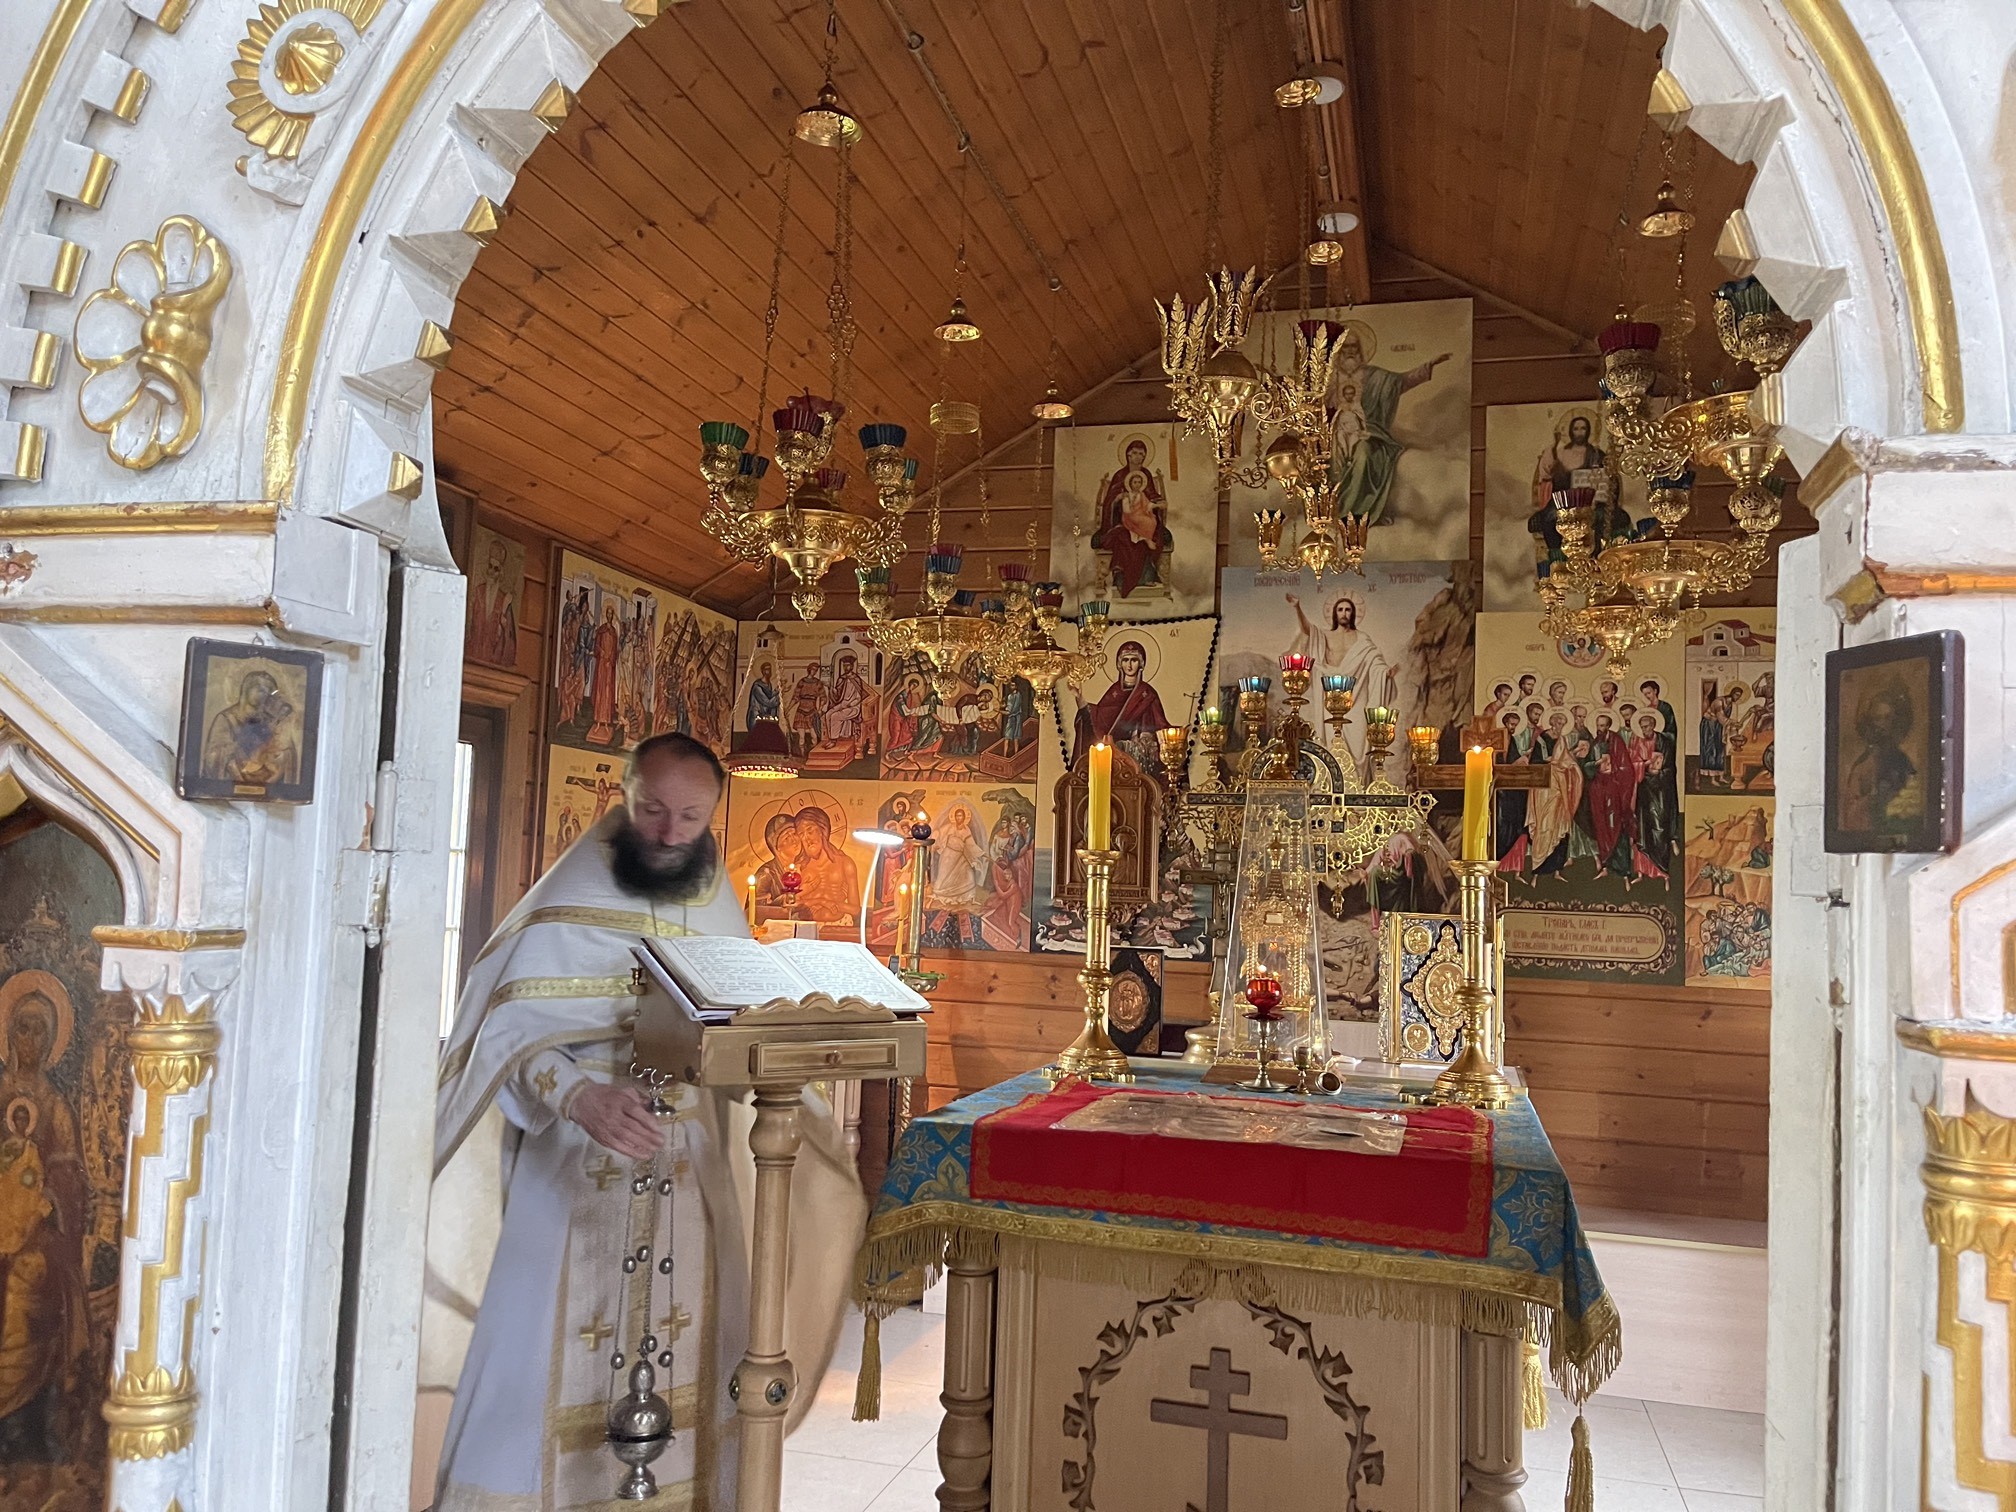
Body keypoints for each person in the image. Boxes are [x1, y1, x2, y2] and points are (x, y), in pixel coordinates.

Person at [428, 734, 863, 1511]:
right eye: (653, 810)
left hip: (688, 1174)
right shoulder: (565, 897)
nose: (668, 833)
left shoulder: (716, 905)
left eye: (690, 818)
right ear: (624, 798)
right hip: (571, 1169)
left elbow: (741, 1025)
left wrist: (793, 1057)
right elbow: (501, 1030)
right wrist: (576, 1095)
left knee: (703, 1360)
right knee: (530, 1373)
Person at [1327, 324, 1452, 524]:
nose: (1350, 353)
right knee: (1331, 460)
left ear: (1360, 351)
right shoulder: (1329, 380)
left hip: (1370, 433)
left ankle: (1355, 513)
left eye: (1354, 348)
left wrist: (1428, 366)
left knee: (1364, 455)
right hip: (1334, 436)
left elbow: (1401, 381)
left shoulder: (1375, 377)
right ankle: (1330, 512)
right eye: (1345, 348)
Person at [1286, 592, 1396, 716]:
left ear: (1353, 613)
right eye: (1340, 610)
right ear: (1335, 613)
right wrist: (1297, 607)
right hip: (1330, 693)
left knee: (1358, 726)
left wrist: (1385, 672)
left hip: (1356, 692)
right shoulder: (1325, 635)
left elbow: (1374, 658)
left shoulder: (1362, 638)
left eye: (1347, 610)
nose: (1344, 613)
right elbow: (1307, 629)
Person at [1092, 438, 1173, 596]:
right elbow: (1109, 501)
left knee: (1152, 535)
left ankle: (1148, 576)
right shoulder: (1120, 475)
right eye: (1135, 453)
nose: (1138, 457)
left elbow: (1151, 494)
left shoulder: (1146, 474)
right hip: (1122, 521)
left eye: (1142, 454)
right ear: (1128, 455)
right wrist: (1118, 498)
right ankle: (1121, 577)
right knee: (1124, 538)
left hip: (1143, 518)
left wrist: (1157, 502)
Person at [1071, 640, 1171, 766]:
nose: (1129, 665)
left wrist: (1179, 735)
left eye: (1134, 660)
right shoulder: (1114, 692)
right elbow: (1097, 720)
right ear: (1120, 664)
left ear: (1141, 663)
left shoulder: (1148, 693)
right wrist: (1080, 699)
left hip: (1141, 757)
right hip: (1114, 759)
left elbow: (1161, 726)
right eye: (1125, 660)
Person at [201, 668, 300, 787]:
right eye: (261, 690)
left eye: (269, 692)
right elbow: (215, 755)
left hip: (268, 778)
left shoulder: (272, 719)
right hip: (233, 779)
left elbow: (286, 748)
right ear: (247, 690)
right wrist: (236, 768)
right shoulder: (227, 718)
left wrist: (282, 756)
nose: (265, 694)